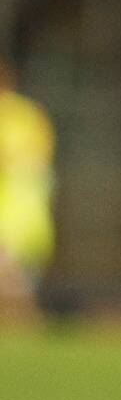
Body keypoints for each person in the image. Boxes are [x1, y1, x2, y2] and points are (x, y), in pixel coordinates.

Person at [0, 63, 55, 323]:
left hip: (13, 214)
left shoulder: (16, 114)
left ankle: (30, 326)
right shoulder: (29, 114)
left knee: (11, 286)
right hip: (30, 213)